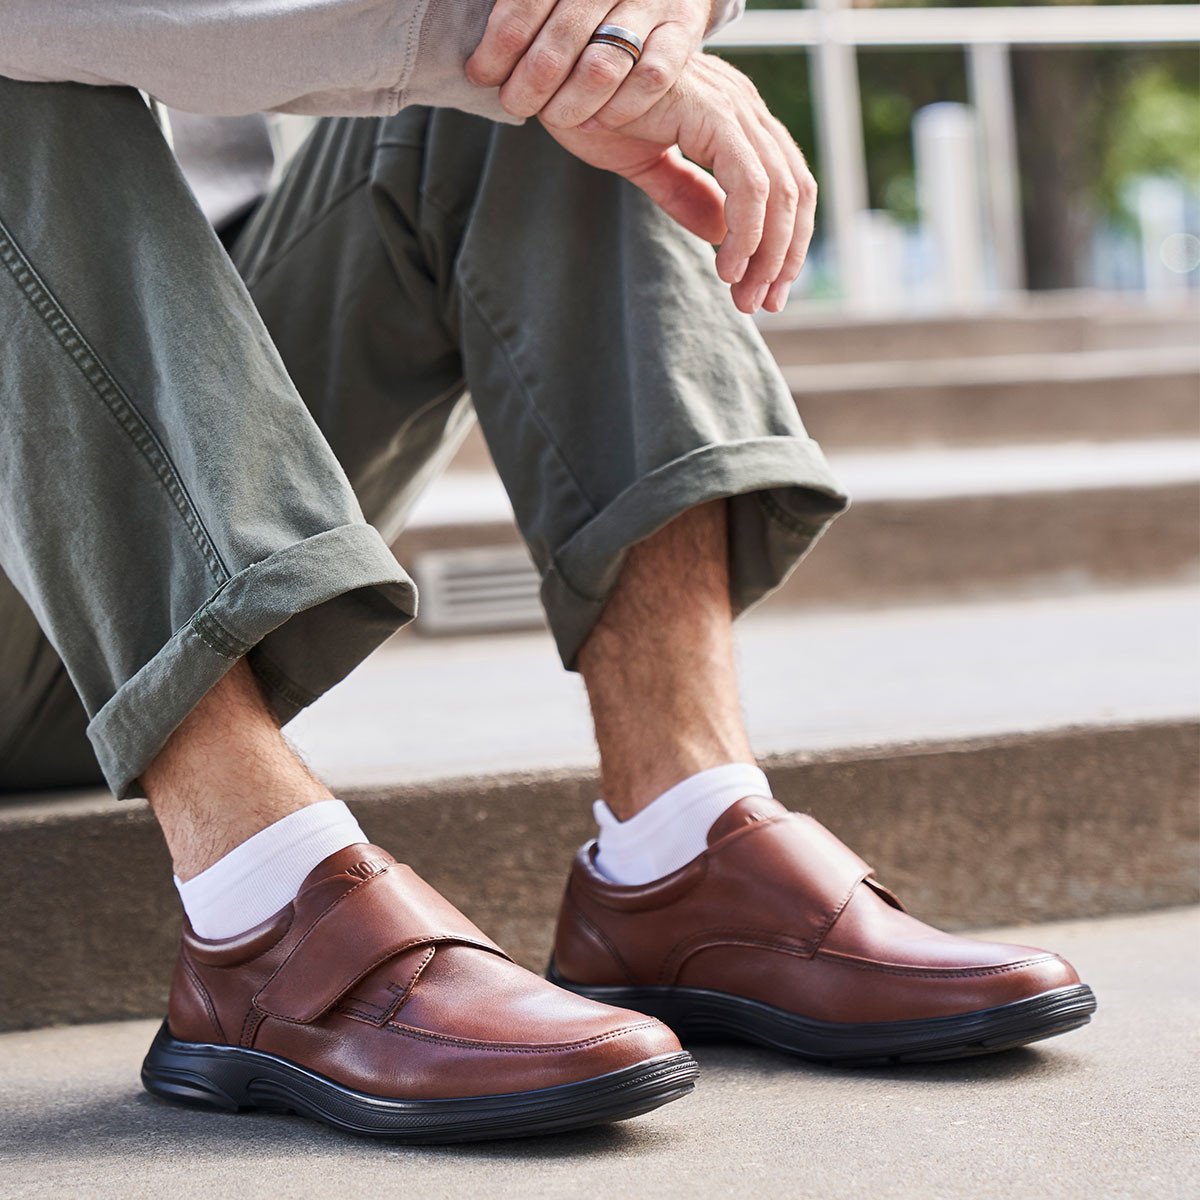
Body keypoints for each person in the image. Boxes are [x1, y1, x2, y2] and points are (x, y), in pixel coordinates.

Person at [0, 0, 1096, 1142]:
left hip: (188, 366)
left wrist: (637, 22)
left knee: (549, 55)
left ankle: (678, 842)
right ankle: (259, 912)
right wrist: (495, 43)